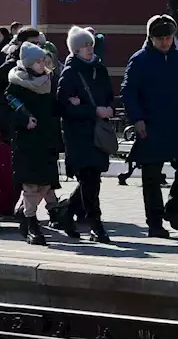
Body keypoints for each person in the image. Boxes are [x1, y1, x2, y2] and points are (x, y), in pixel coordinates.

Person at [121, 14, 178, 238]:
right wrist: (137, 119)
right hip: (150, 126)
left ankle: (173, 210)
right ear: (150, 38)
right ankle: (155, 223)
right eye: (160, 39)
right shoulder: (139, 60)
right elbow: (128, 92)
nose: (165, 42)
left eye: (168, 37)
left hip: (177, 125)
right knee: (151, 176)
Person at [56, 26, 115, 243]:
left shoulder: (99, 69)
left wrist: (109, 109)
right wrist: (92, 110)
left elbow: (109, 95)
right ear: (75, 50)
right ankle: (96, 225)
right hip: (78, 135)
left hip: (98, 133)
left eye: (90, 44)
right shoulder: (70, 73)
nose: (89, 49)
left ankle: (65, 212)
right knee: (89, 180)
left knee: (93, 180)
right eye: (84, 46)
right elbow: (62, 106)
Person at [3, 42, 61, 245]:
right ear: (28, 63)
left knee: (46, 183)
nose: (41, 64)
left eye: (43, 60)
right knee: (30, 184)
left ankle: (25, 213)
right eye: (37, 61)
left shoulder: (48, 82)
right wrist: (24, 119)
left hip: (45, 141)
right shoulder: (16, 84)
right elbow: (7, 109)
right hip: (26, 143)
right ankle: (31, 223)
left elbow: (53, 108)